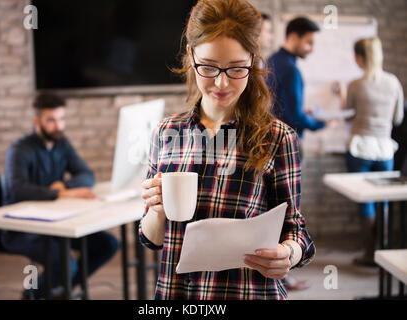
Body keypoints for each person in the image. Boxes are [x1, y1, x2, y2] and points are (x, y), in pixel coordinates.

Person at [139, 0, 315, 300]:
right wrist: (155, 212)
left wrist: (289, 253)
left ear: (253, 61)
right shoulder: (165, 133)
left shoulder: (277, 137)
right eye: (208, 67)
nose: (221, 82)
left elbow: (296, 230)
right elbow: (153, 240)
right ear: (192, 57)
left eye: (236, 69)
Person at [2, 92, 120, 299]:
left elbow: (86, 175)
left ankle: (57, 291)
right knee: (66, 264)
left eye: (61, 119)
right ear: (37, 121)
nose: (58, 126)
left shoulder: (61, 144)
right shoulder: (19, 150)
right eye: (51, 120)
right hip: (21, 229)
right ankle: (33, 295)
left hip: (55, 224)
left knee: (108, 244)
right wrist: (59, 192)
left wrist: (64, 185)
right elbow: (17, 189)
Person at [333, 37, 404, 266]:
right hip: (384, 149)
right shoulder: (393, 82)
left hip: (360, 147)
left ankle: (369, 253)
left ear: (360, 57)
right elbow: (398, 118)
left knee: (365, 201)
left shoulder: (356, 84)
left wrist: (341, 92)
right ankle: (383, 252)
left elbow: (347, 113)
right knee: (383, 200)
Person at [267, 17, 325, 159]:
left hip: (270, 140)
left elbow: (279, 105)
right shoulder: (290, 70)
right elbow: (295, 117)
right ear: (293, 37)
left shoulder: (271, 60)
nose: (312, 49)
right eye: (308, 42)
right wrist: (321, 123)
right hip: (287, 143)